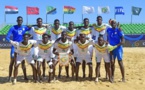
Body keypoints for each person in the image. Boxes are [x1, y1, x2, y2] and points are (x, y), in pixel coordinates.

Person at [6, 16, 31, 82]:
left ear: (22, 21)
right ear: (17, 21)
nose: (20, 21)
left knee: (23, 62)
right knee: (12, 62)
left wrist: (30, 26)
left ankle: (25, 76)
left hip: (22, 47)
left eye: (21, 20)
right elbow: (7, 37)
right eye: (18, 20)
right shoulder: (13, 28)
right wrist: (11, 42)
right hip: (14, 47)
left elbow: (31, 28)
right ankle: (9, 77)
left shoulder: (24, 27)